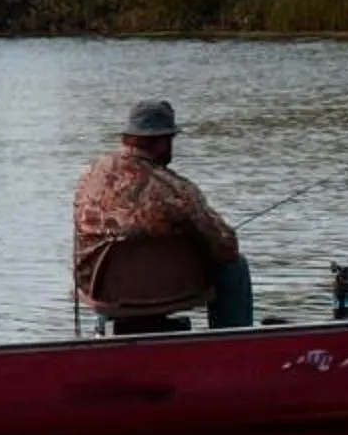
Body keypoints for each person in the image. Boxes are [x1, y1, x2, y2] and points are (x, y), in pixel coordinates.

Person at [72, 98, 254, 328]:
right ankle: (231, 339)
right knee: (235, 266)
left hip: (103, 291)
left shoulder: (91, 175)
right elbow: (226, 246)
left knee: (110, 260)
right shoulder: (176, 189)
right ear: (161, 142)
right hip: (170, 290)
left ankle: (108, 334)